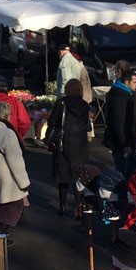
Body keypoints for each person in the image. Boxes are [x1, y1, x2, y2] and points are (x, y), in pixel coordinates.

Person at [0, 102, 30, 243]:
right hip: (9, 178)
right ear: (7, 115)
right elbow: (16, 161)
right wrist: (24, 182)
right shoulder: (8, 133)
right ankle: (0, 233)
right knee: (15, 207)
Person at [47, 78, 91, 217]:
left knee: (63, 178)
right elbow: (87, 125)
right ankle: (79, 207)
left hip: (63, 143)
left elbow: (52, 121)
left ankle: (62, 206)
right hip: (80, 144)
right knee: (78, 178)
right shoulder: (85, 105)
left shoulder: (61, 103)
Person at [102, 69, 136, 178]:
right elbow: (119, 122)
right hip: (121, 141)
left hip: (120, 139)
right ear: (126, 82)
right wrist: (125, 144)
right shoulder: (121, 97)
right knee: (126, 169)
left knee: (129, 165)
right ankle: (122, 191)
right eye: (135, 82)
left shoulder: (118, 92)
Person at [0, 75, 31, 145]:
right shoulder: (15, 101)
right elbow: (25, 123)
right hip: (13, 139)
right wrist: (18, 133)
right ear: (6, 88)